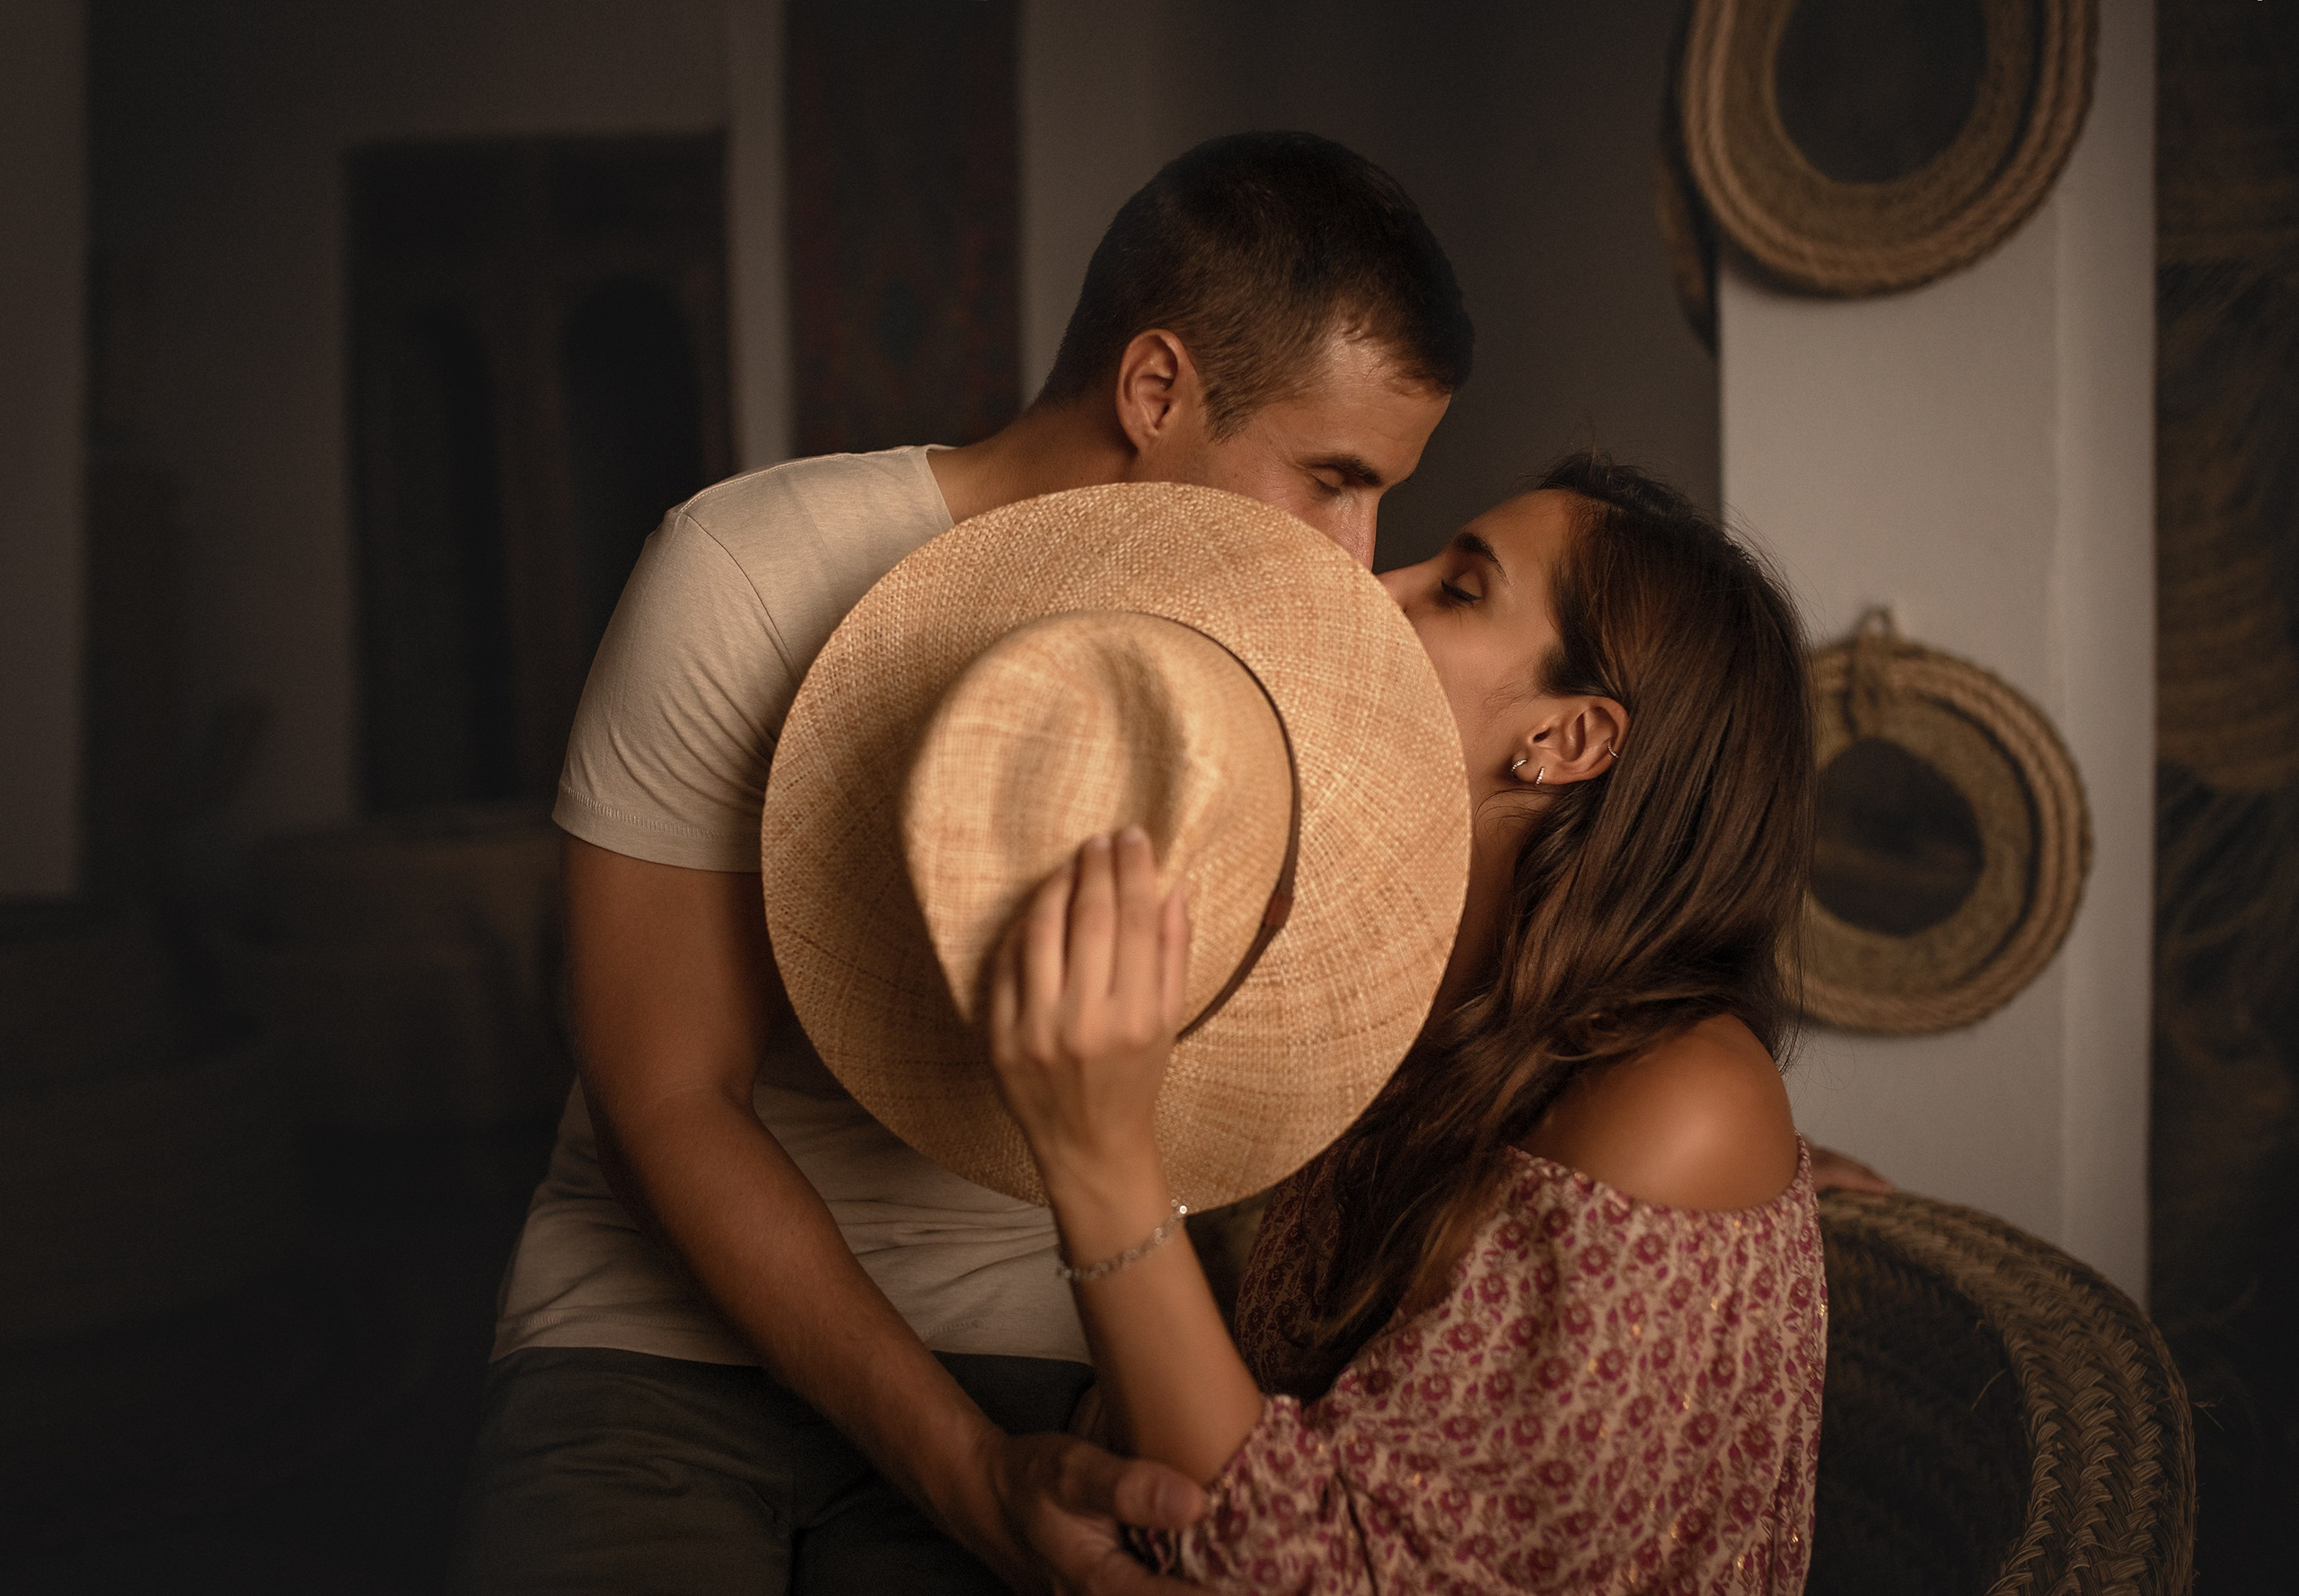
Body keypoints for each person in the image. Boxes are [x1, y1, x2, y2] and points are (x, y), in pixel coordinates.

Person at [451, 130, 1474, 1596]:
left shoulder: (1286, 678)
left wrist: (1636, 1109)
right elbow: (664, 1094)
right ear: (1157, 388)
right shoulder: (743, 572)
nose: (1360, 553)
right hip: (649, 1334)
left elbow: (1335, 1032)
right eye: (1333, 478)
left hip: (1028, 1347)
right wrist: (954, 1471)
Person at [986, 455, 1830, 1592]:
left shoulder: (1682, 1102)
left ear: (1569, 739)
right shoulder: (1421, 1010)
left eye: (1459, 588)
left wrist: (1095, 1162)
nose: (1379, 584)